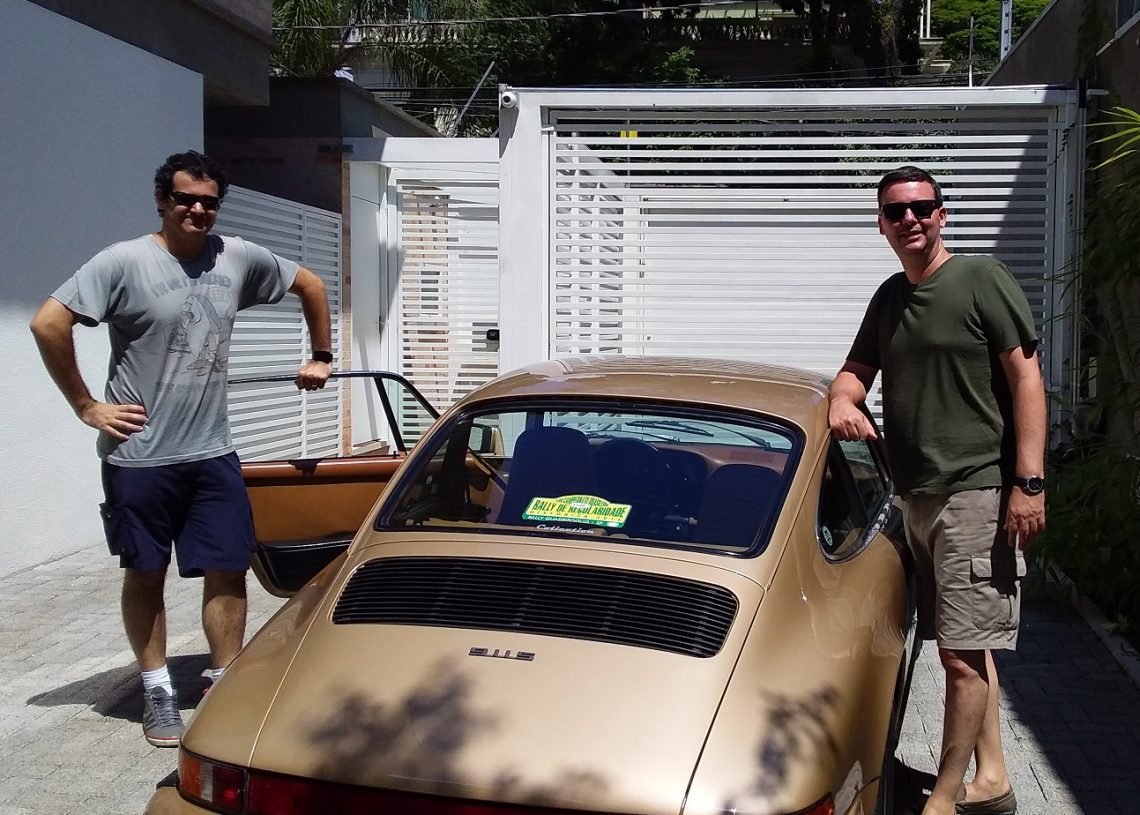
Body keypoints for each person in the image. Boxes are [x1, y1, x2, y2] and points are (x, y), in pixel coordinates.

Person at [29, 150, 333, 747]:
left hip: (212, 452)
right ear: (162, 200)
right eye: (185, 199)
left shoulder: (236, 257)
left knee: (228, 569)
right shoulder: (123, 262)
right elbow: (47, 323)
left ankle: (224, 684)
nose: (197, 210)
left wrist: (321, 357)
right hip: (140, 457)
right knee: (146, 572)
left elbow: (311, 284)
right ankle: (157, 688)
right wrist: (87, 406)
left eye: (208, 202)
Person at [828, 166, 1046, 815]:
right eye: (896, 211)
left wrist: (1028, 482)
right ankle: (993, 778)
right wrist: (842, 399)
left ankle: (945, 799)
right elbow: (854, 371)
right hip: (914, 497)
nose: (910, 220)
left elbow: (1027, 380)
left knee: (958, 657)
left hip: (976, 492)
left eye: (922, 207)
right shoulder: (890, 297)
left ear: (942, 214)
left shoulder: (981, 279)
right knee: (968, 646)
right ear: (881, 224)